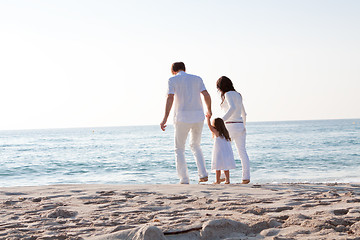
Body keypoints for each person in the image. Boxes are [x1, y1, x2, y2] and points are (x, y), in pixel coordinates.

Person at [160, 62, 212, 184]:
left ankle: (184, 178)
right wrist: (209, 110)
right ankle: (203, 174)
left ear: (173, 71)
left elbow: (170, 98)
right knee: (196, 145)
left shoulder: (172, 79)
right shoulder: (197, 78)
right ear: (184, 69)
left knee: (179, 148)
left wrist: (165, 118)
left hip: (182, 117)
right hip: (198, 116)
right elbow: (206, 94)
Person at [216, 76, 251, 184]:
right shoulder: (238, 95)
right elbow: (243, 113)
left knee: (223, 150)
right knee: (242, 152)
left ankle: (222, 176)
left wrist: (221, 121)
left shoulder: (227, 94)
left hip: (229, 125)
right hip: (240, 125)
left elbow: (233, 108)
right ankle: (246, 177)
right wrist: (244, 126)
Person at [206, 115, 236, 184]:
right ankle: (227, 180)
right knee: (226, 167)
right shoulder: (225, 133)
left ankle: (217, 180)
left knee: (218, 167)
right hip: (226, 152)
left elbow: (209, 126)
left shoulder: (217, 132)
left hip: (219, 152)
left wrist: (208, 118)